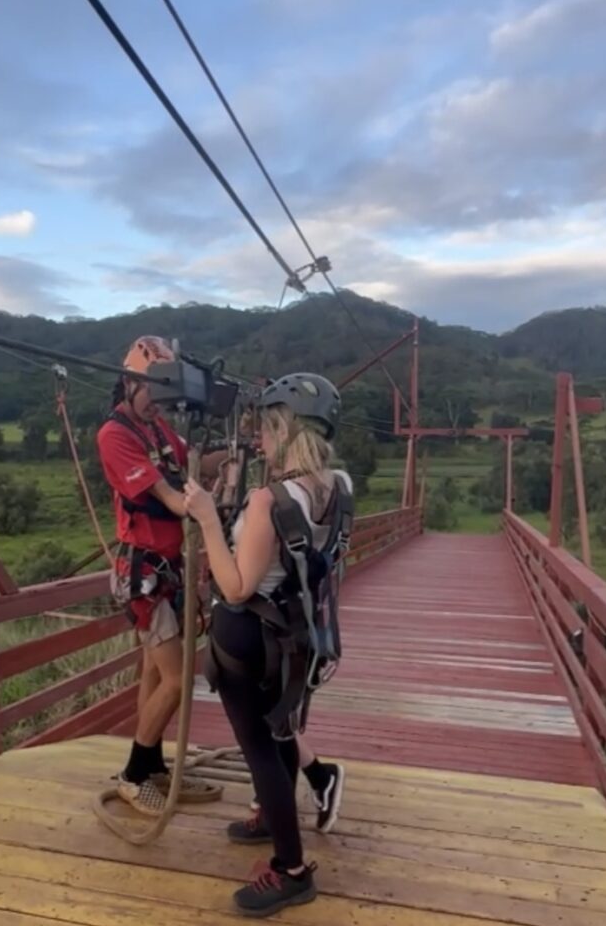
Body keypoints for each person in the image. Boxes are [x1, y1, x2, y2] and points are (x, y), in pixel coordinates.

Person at [185, 372, 353, 917]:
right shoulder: (337, 488)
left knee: (261, 750)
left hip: (249, 640)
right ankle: (272, 822)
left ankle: (292, 868)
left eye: (264, 429)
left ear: (284, 428)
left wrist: (209, 516)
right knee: (280, 732)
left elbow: (235, 586)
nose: (258, 440)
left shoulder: (269, 500)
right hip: (296, 638)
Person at [96, 335, 225, 815]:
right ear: (130, 383)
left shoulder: (157, 430)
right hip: (145, 572)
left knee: (154, 672)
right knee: (177, 678)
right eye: (153, 392)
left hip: (168, 569)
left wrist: (232, 453)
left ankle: (150, 767)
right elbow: (173, 499)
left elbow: (193, 462)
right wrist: (209, 510)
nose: (158, 404)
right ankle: (134, 773)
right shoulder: (116, 435)